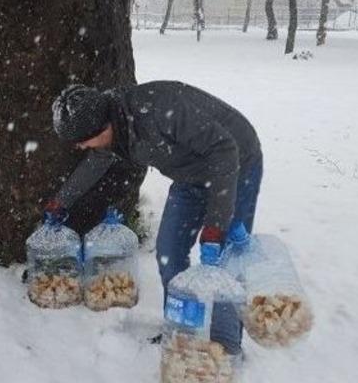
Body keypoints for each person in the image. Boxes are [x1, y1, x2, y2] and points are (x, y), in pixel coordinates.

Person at [45, 81, 263, 354]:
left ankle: (224, 349)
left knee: (226, 260)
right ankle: (181, 333)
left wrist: (216, 224)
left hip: (236, 164)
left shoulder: (158, 110)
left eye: (82, 140)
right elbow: (99, 159)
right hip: (190, 175)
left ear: (102, 127)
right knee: (169, 253)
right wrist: (61, 200)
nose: (80, 146)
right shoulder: (114, 128)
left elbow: (224, 150)